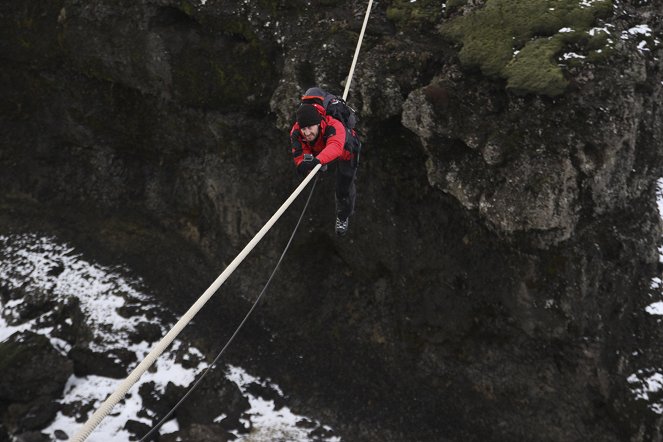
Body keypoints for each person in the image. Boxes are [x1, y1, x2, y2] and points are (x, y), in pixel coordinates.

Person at [289, 98, 358, 237]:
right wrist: (305, 166)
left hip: (346, 152)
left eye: (310, 127)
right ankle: (321, 164)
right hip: (319, 152)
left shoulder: (334, 125)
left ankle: (343, 216)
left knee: (343, 188)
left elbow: (335, 147)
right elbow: (299, 154)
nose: (307, 133)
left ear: (319, 123)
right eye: (304, 129)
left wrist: (317, 161)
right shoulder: (296, 132)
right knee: (310, 157)